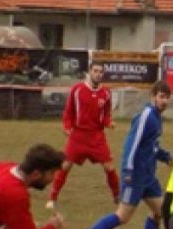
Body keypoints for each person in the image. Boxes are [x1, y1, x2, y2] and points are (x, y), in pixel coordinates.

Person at [71, 81, 173, 229]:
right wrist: (128, 170)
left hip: (148, 177)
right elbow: (131, 145)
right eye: (161, 97)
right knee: (122, 216)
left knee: (161, 211)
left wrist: (166, 156)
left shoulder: (157, 117)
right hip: (135, 176)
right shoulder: (146, 116)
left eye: (167, 97)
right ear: (153, 97)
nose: (164, 101)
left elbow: (151, 146)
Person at [47, 60, 120, 209]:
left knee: (109, 168)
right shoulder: (77, 90)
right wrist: (67, 127)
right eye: (95, 71)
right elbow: (68, 112)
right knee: (65, 166)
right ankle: (52, 198)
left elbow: (106, 115)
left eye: (100, 72)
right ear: (89, 72)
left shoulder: (106, 93)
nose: (98, 74)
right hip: (78, 136)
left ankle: (117, 196)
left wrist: (109, 123)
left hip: (97, 137)